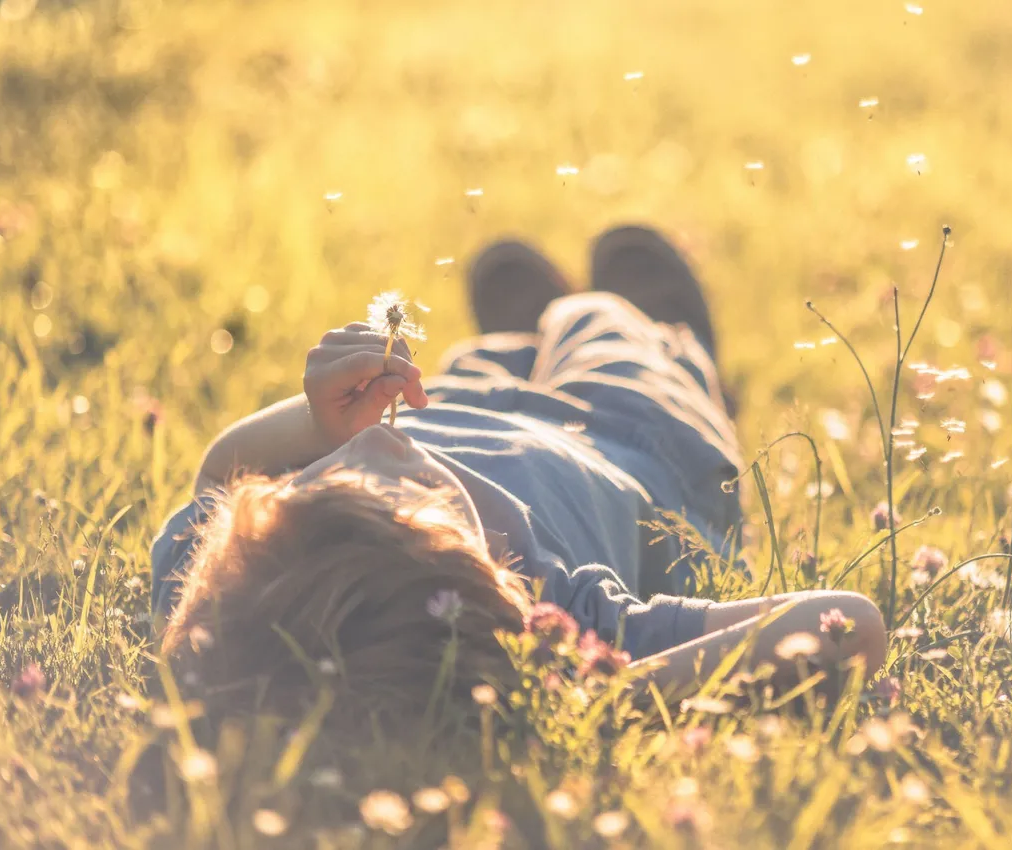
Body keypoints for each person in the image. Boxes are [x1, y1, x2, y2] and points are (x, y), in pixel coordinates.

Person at [150, 225, 886, 718]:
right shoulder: (558, 619)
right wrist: (596, 693)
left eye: (324, 476)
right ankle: (665, 346)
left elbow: (220, 476)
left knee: (485, 351)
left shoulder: (235, 584)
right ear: (477, 570)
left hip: (466, 406)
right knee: (602, 319)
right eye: (397, 496)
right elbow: (847, 624)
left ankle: (528, 332)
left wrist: (317, 425)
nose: (372, 448)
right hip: (629, 443)